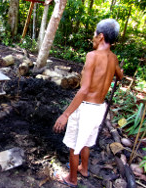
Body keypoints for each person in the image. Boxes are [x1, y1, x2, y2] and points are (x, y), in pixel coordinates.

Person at [52, 19, 125, 186]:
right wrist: (119, 70)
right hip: (99, 108)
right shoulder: (113, 58)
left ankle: (71, 179)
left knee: (74, 145)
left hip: (85, 108)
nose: (92, 38)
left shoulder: (92, 56)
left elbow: (83, 90)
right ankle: (83, 169)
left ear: (100, 36)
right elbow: (119, 76)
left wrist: (65, 114)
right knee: (85, 142)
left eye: (94, 35)